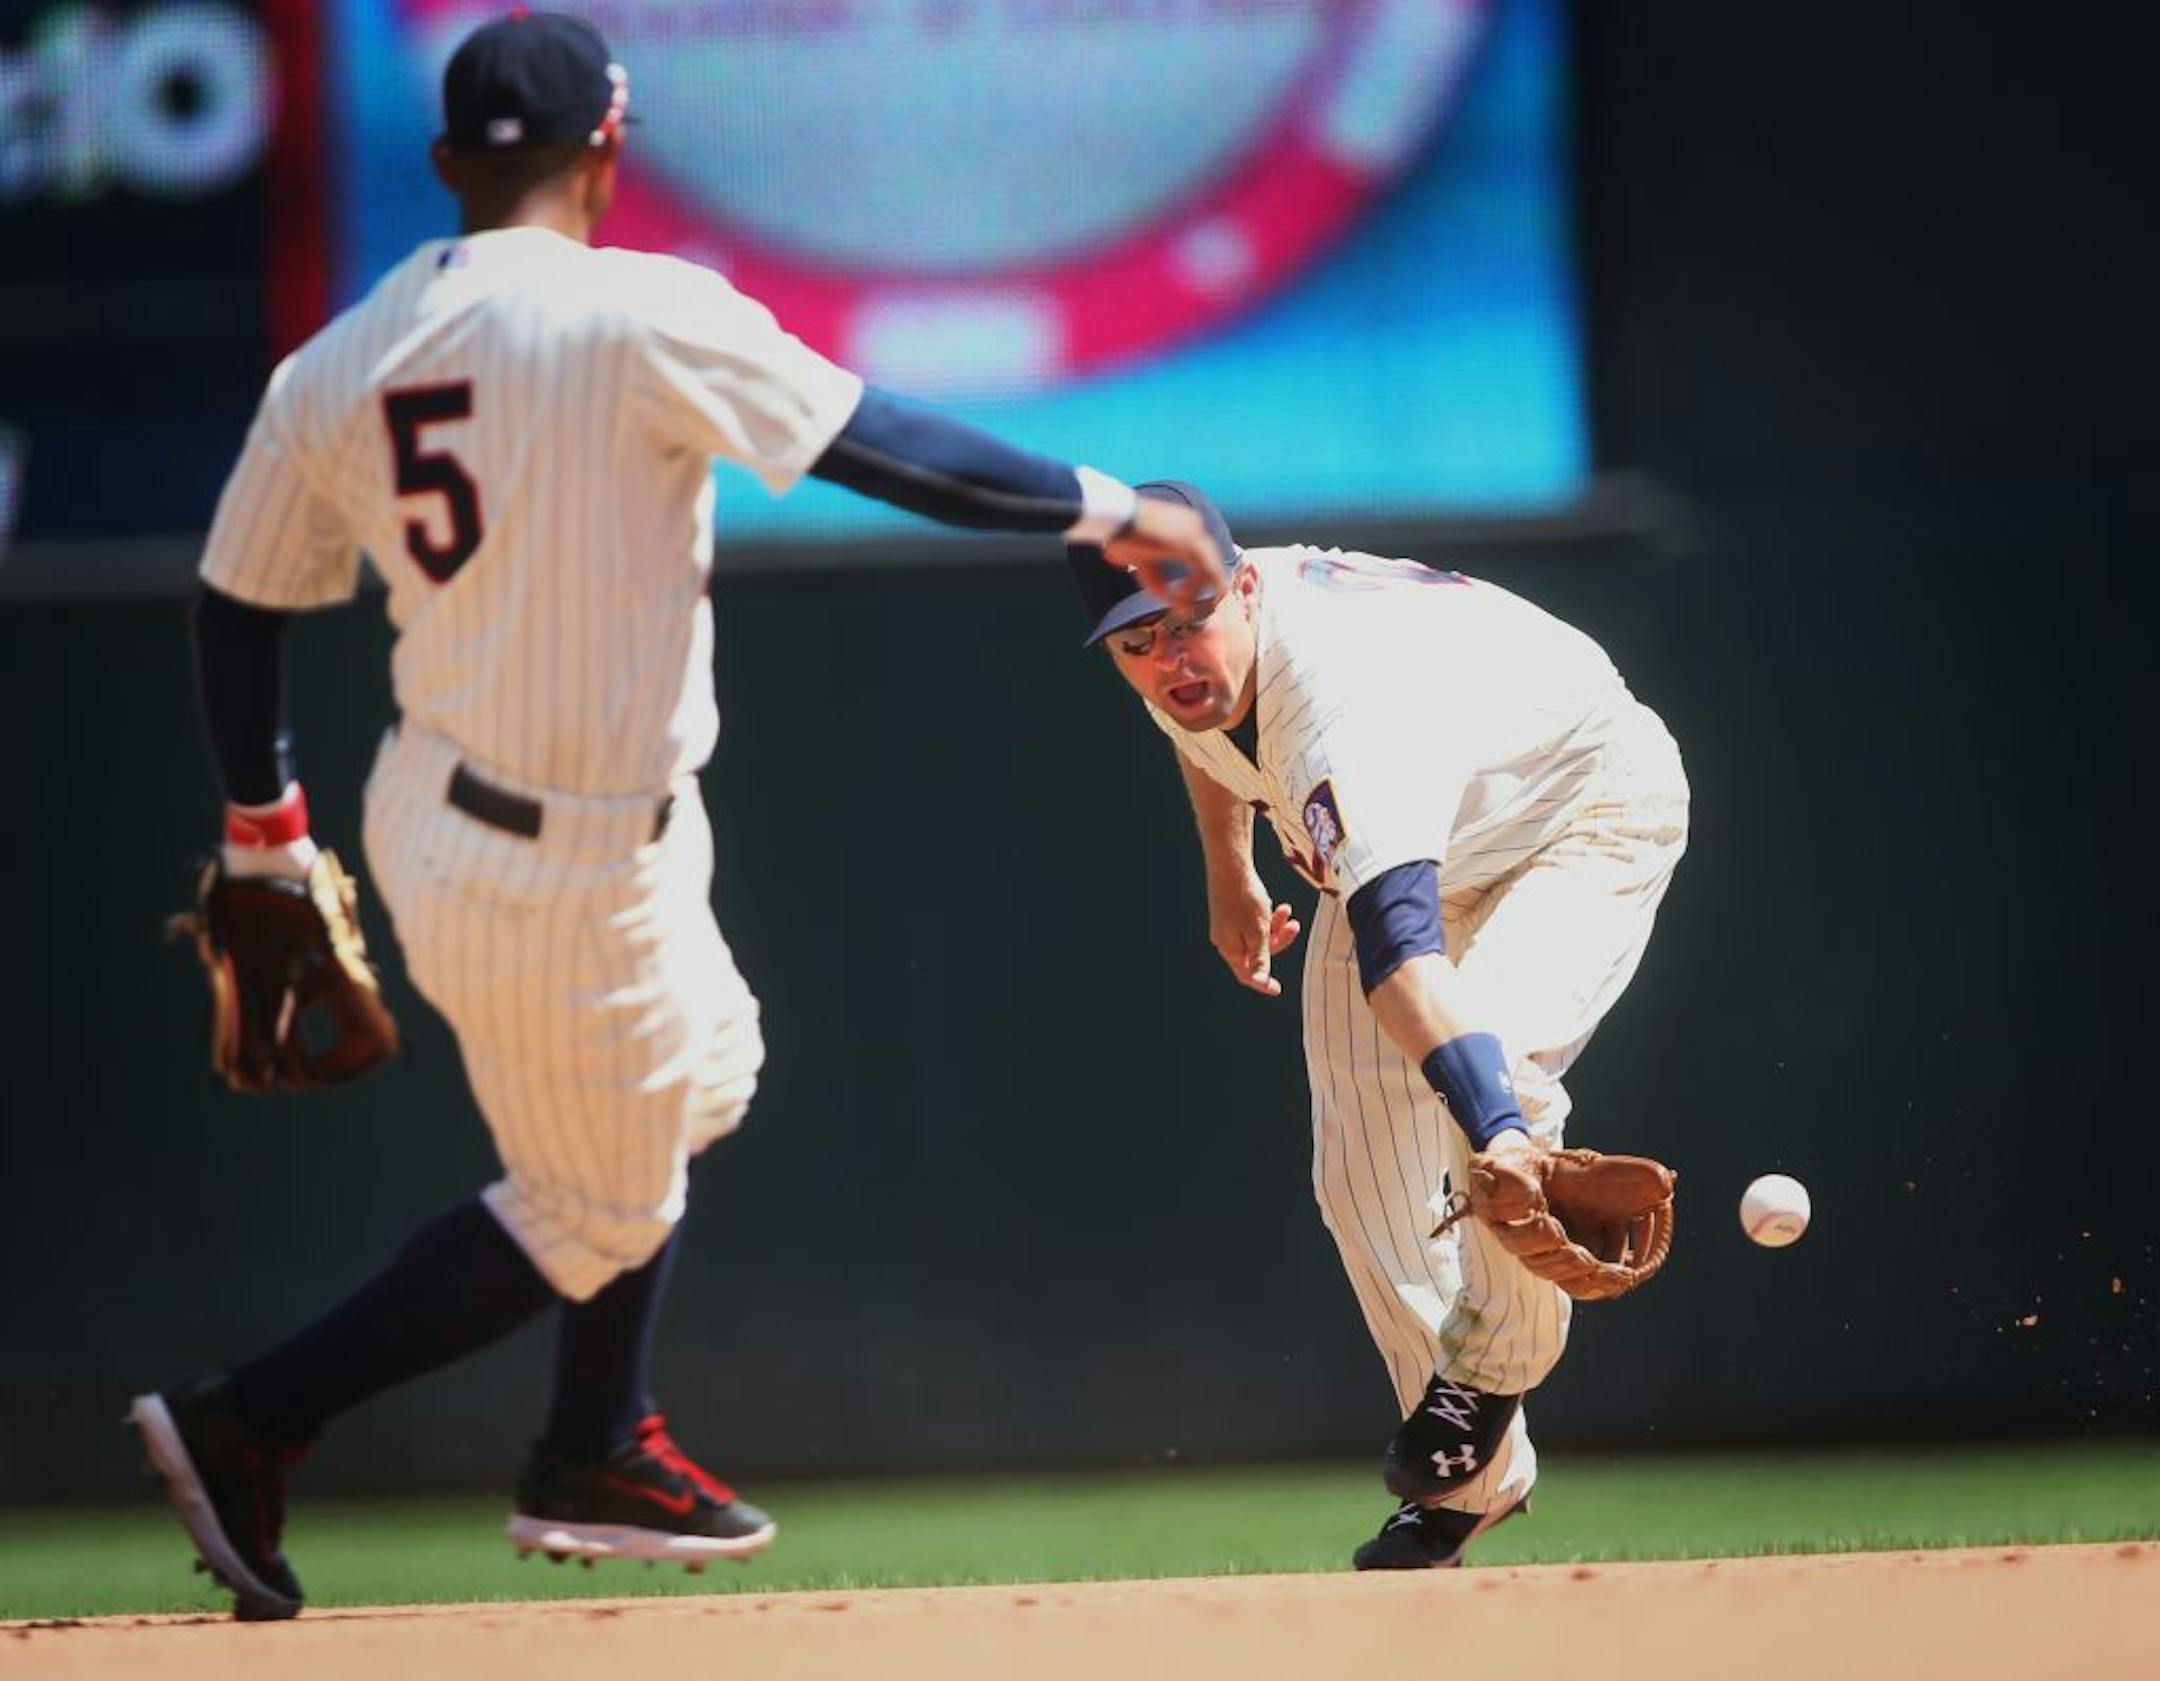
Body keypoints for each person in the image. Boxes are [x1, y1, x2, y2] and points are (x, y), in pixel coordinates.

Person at [130, 11, 1222, 1623]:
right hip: (561, 853)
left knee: (707, 1070)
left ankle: (592, 1430)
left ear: (445, 168)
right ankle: (261, 1424)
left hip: (470, 809)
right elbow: (876, 442)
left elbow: (235, 603)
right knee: (594, 1201)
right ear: (609, 152)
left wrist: (261, 833)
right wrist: (1121, 505)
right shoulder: (637, 311)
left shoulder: (340, 356)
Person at [1069, 483, 1688, 1569]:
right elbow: (1202, 728)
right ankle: (1476, 1489)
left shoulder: (1340, 710)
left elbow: (1404, 963)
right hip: (1407, 845)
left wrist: (1497, 1128)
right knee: (1362, 1174)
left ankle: (1494, 1369)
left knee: (1495, 1089)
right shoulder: (1188, 636)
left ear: (1244, 586)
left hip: (1578, 812)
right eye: (1138, 641)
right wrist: (1230, 867)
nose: (1171, 659)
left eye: (1188, 623)